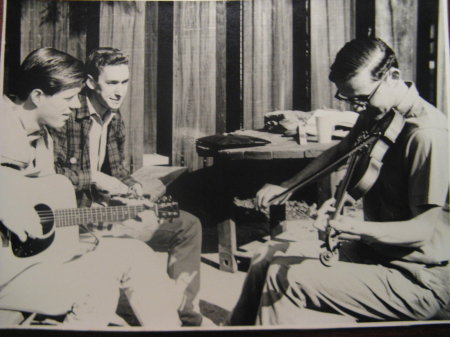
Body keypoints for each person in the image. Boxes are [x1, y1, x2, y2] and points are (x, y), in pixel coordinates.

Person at [229, 37, 449, 325]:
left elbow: (421, 231)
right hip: (377, 252)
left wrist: (352, 227)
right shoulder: (380, 112)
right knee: (263, 258)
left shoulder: (426, 134)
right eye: (347, 99)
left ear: (393, 77)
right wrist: (288, 186)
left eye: (360, 98)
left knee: (286, 280)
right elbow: (343, 148)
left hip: (419, 277)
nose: (356, 108)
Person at [0, 47, 180, 328]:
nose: (74, 106)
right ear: (37, 96)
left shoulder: (44, 139)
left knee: (136, 255)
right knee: (97, 285)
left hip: (28, 261)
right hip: (9, 275)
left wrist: (84, 231)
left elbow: (43, 210)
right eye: (69, 98)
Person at [50, 48, 205, 326]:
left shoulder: (114, 117)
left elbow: (119, 172)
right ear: (90, 82)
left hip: (107, 213)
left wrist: (133, 191)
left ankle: (186, 316)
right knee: (134, 253)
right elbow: (53, 176)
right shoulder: (66, 115)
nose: (120, 91)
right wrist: (94, 178)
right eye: (112, 83)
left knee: (187, 225)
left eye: (125, 82)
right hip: (75, 221)